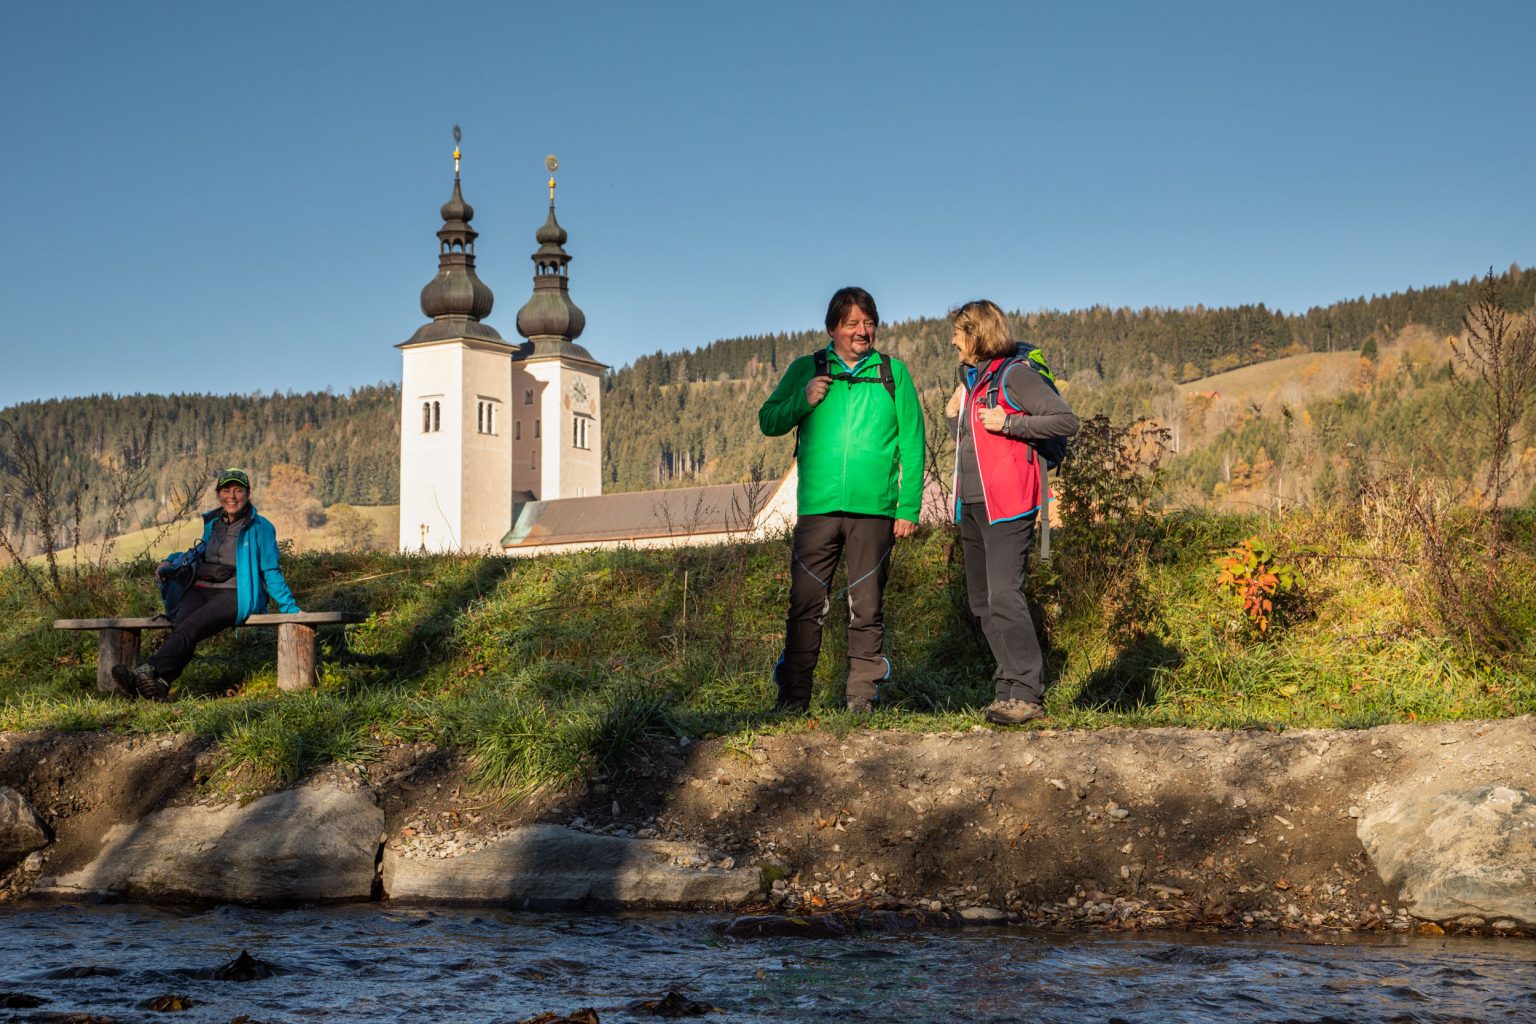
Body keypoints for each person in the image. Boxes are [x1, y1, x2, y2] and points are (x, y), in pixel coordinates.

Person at [759, 286, 925, 712]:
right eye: (852, 323)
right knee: (805, 605)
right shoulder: (806, 368)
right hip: (819, 507)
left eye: (868, 322)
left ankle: (862, 698)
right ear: (832, 328)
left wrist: (907, 507)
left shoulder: (893, 373)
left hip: (874, 510)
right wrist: (803, 398)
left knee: (866, 606)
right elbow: (769, 420)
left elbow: (913, 440)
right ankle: (793, 698)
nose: (862, 330)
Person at [944, 299, 1079, 725]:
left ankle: (1028, 691)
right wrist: (954, 419)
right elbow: (976, 440)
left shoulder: (1014, 375)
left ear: (977, 333)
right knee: (982, 602)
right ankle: (1008, 685)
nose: (952, 341)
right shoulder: (974, 380)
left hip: (1009, 503)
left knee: (1004, 594)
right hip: (971, 503)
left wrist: (1011, 424)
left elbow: (1064, 421)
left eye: (958, 332)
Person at [112, 468, 301, 701]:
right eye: (226, 490)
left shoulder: (260, 527)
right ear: (219, 495)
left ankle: (145, 671)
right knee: (183, 626)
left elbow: (270, 570)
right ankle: (160, 685)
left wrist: (290, 608)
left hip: (235, 592)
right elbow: (200, 551)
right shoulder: (213, 523)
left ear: (248, 493)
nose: (232, 496)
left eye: (238, 490)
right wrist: (170, 561)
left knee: (191, 627)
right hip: (201, 588)